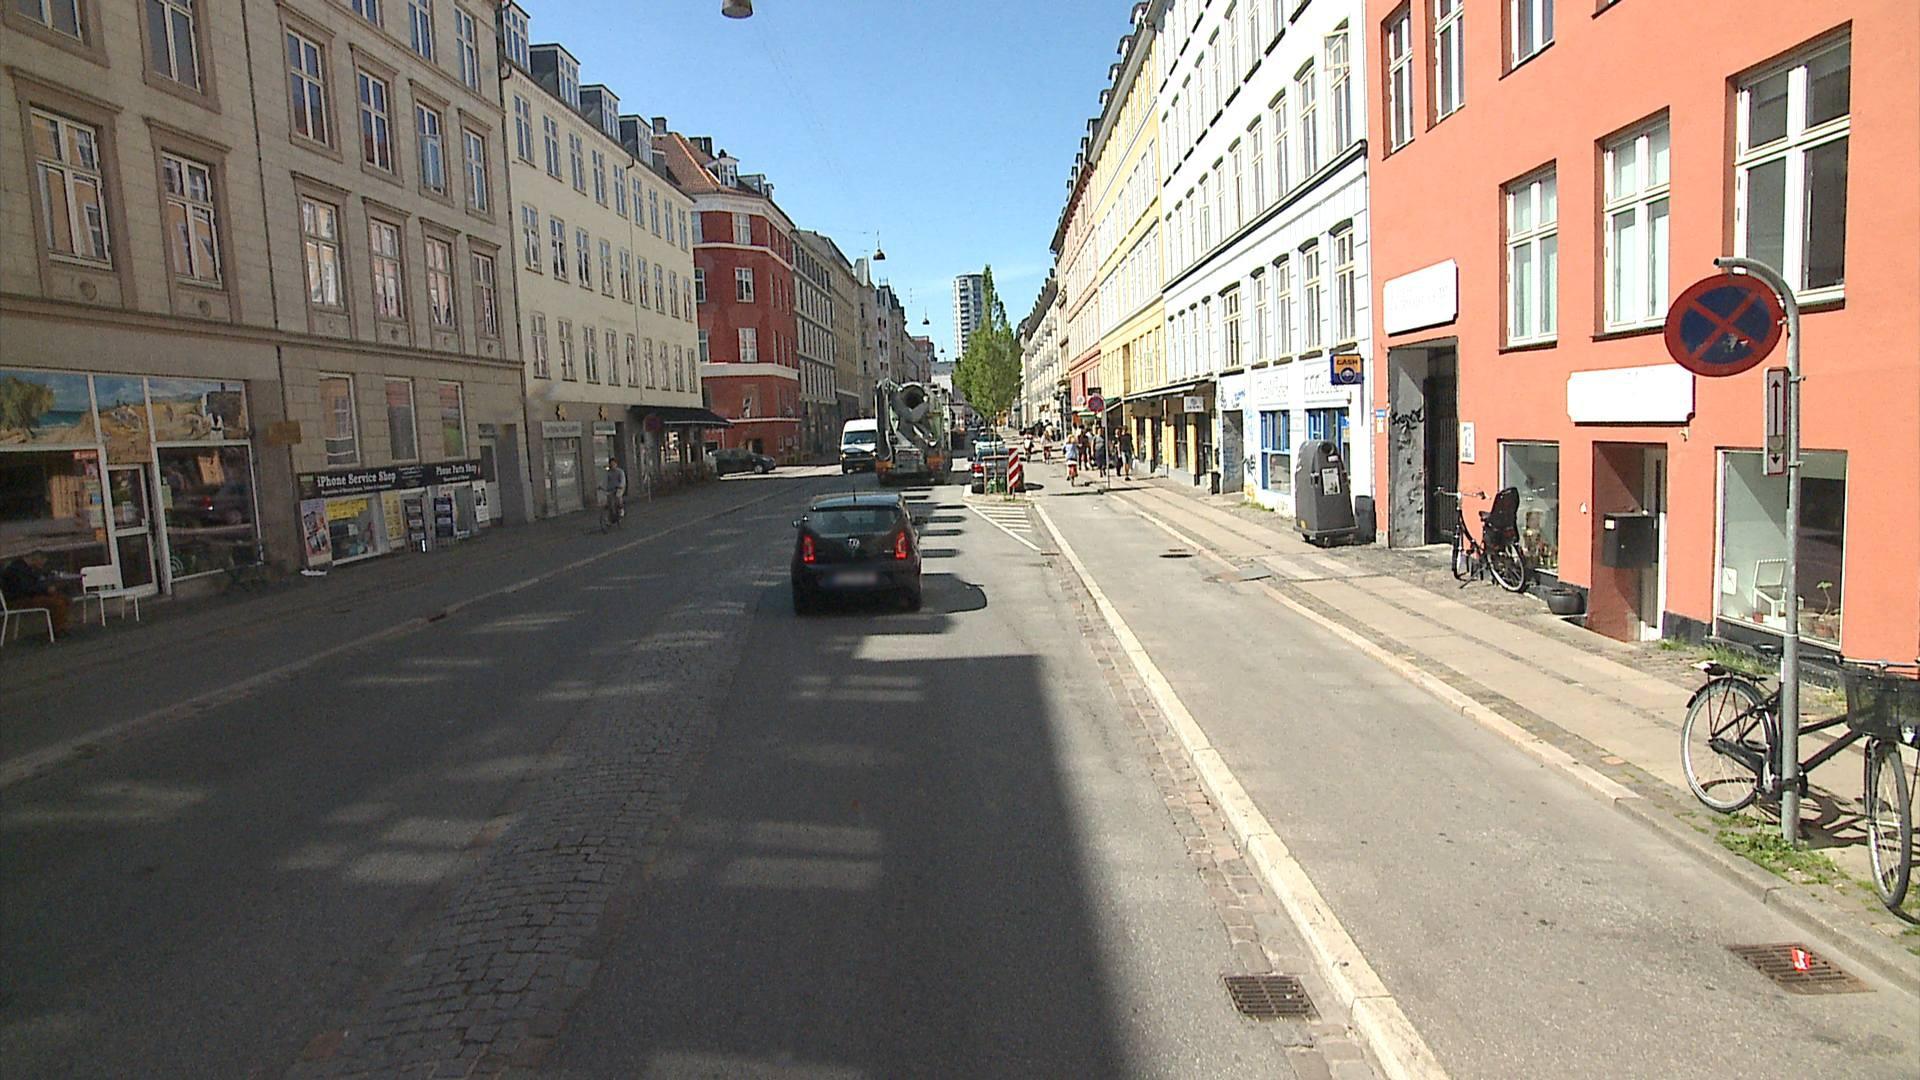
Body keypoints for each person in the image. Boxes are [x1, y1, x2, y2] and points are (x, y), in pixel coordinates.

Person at [2, 550, 72, 636]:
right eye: (41, 563)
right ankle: (57, 630)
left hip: (28, 596)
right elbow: (26, 589)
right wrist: (45, 590)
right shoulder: (16, 570)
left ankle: (60, 626)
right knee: (56, 603)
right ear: (36, 559)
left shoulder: (27, 569)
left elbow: (34, 584)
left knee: (64, 599)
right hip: (18, 600)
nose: (42, 566)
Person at [602, 458, 627, 527]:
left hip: (618, 488)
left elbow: (623, 480)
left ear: (616, 464)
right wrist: (601, 486)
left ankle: (621, 509)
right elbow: (605, 480)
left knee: (618, 496)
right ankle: (610, 519)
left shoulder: (620, 472)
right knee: (610, 503)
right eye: (611, 464)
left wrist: (621, 486)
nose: (612, 465)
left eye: (614, 464)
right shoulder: (608, 473)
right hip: (611, 489)